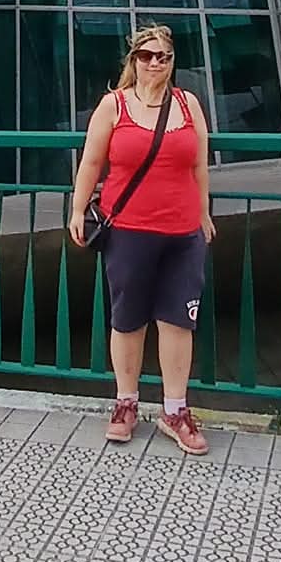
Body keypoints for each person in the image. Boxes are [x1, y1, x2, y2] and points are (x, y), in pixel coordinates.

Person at [69, 23, 216, 454]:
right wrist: (78, 210)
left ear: (172, 62)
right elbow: (91, 162)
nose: (155, 63)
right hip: (129, 231)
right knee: (128, 318)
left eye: (163, 56)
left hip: (182, 232)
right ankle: (126, 403)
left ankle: (175, 410)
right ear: (133, 60)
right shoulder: (114, 106)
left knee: (178, 320)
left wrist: (203, 214)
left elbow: (200, 165)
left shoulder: (188, 104)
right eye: (147, 55)